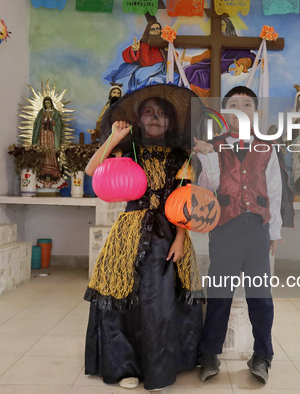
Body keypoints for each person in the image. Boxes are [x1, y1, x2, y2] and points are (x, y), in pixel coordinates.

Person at [84, 84, 204, 391]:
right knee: (124, 298)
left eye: (161, 113)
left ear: (170, 122)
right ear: (139, 118)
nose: (154, 117)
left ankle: (160, 367)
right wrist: (113, 138)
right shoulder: (128, 149)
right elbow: (91, 169)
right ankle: (125, 366)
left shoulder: (181, 156)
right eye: (148, 112)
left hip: (168, 235)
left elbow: (186, 199)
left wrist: (180, 238)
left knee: (159, 302)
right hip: (128, 234)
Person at [193, 86, 294, 384]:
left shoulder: (267, 146)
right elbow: (208, 186)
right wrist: (209, 157)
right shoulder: (214, 145)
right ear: (225, 113)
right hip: (225, 228)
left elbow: (274, 190)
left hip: (258, 230)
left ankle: (263, 355)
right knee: (220, 292)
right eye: (234, 104)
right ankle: (209, 353)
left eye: (246, 104)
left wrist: (274, 231)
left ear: (255, 113)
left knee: (261, 295)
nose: (240, 109)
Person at [181, 17, 256, 98]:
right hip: (210, 64)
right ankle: (184, 99)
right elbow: (208, 54)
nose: (219, 28)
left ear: (228, 27)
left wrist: (241, 65)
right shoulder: (215, 40)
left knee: (199, 74)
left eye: (222, 25)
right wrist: (190, 59)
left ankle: (202, 104)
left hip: (224, 66)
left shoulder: (237, 43)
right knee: (187, 70)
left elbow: (249, 57)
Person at [106, 21, 178, 92]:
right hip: (143, 74)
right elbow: (125, 55)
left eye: (157, 29)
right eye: (153, 29)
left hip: (161, 74)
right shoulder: (141, 45)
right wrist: (134, 50)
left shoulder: (164, 45)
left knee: (160, 80)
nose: (156, 31)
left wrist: (168, 51)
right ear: (148, 31)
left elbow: (175, 59)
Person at [32, 97, 67, 190]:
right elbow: (37, 124)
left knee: (51, 151)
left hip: (52, 135)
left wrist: (52, 121)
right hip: (43, 135)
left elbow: (59, 125)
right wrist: (44, 121)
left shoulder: (55, 113)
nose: (47, 104)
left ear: (51, 103)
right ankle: (43, 168)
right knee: (43, 152)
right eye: (46, 103)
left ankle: (53, 166)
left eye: (48, 103)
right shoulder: (41, 113)